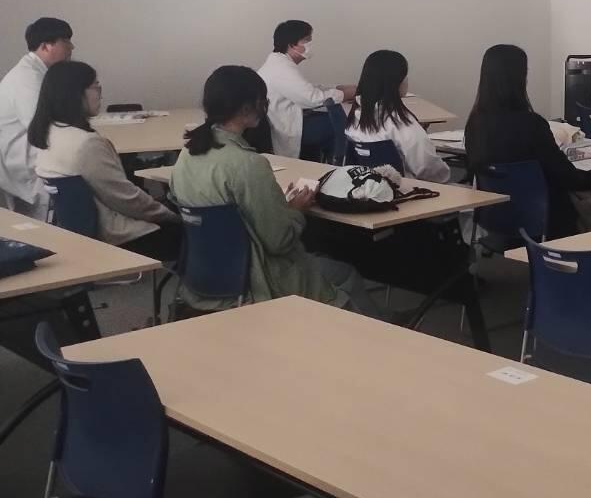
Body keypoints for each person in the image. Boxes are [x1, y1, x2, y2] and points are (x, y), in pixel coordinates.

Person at [169, 65, 375, 315]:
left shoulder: (187, 155)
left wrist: (279, 206)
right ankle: (377, 334)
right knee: (346, 275)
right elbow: (279, 241)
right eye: (263, 102)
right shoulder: (248, 164)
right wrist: (295, 210)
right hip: (258, 280)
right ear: (247, 107)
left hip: (205, 278)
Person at [464, 44, 591, 239]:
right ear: (519, 78)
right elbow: (566, 176)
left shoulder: (474, 125)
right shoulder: (531, 124)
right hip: (547, 216)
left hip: (494, 218)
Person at [29, 60, 180, 259]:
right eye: (96, 87)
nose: (100, 93)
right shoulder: (87, 144)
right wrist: (169, 214)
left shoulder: (49, 133)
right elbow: (125, 198)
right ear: (75, 93)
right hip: (119, 236)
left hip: (80, 233)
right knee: (197, 229)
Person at [0, 17, 74, 214]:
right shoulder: (27, 79)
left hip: (33, 155)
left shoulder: (39, 73)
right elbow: (43, 128)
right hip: (24, 163)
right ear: (46, 46)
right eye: (65, 41)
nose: (71, 47)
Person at [344, 50, 451, 183]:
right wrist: (446, 175)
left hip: (367, 187)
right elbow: (427, 168)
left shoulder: (356, 116)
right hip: (405, 188)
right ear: (395, 82)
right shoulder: (401, 123)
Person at [257, 20, 356, 159]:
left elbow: (305, 88)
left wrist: (337, 88)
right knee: (340, 124)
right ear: (292, 45)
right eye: (307, 40)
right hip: (286, 128)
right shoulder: (281, 68)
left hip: (293, 119)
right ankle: (338, 164)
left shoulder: (279, 63)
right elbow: (312, 98)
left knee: (333, 119)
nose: (311, 44)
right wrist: (346, 93)